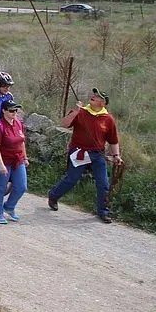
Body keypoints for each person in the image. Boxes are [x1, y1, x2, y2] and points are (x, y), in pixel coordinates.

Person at [47, 88, 121, 223]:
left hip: (97, 154)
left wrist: (116, 155)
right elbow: (64, 124)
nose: (93, 96)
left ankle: (103, 212)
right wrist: (75, 112)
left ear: (103, 102)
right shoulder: (80, 111)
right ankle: (53, 196)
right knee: (72, 179)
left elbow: (113, 140)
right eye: (93, 94)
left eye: (97, 96)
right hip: (80, 152)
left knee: (103, 183)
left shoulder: (108, 119)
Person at [0, 99, 28, 224]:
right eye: (11, 110)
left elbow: (22, 142)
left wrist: (25, 158)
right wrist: (1, 165)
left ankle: (9, 207)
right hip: (1, 161)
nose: (14, 113)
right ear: (4, 111)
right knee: (1, 187)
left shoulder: (19, 124)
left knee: (21, 186)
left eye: (15, 110)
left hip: (17, 159)